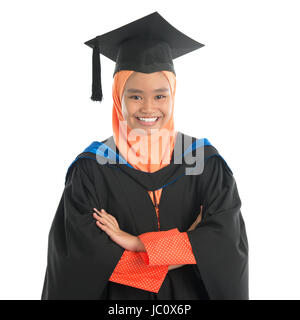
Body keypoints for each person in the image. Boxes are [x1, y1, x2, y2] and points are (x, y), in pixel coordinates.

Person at [41, 11, 249, 300]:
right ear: (117, 98)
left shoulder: (204, 163)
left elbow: (223, 244)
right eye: (135, 96)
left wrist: (136, 244)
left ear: (173, 95)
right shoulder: (91, 169)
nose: (149, 108)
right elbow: (82, 256)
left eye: (160, 96)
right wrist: (185, 247)